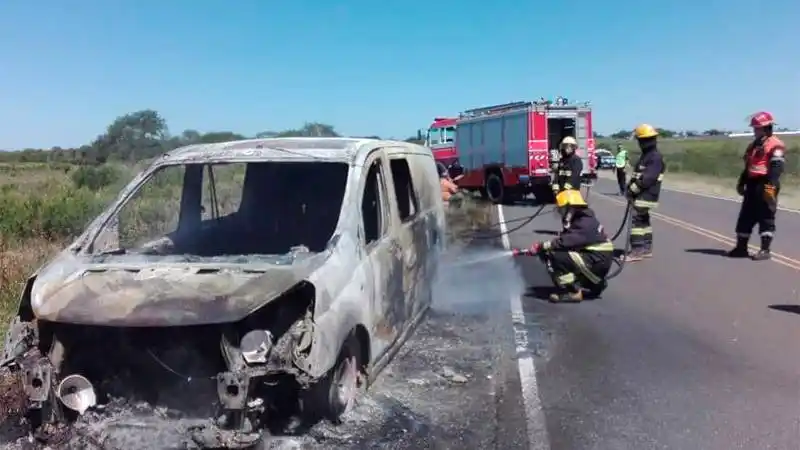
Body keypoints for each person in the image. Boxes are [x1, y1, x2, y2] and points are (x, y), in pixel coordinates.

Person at [512, 189, 614, 303]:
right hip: (597, 259)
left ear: (570, 207)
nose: (560, 212)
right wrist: (542, 249)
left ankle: (572, 292)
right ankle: (595, 284)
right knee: (554, 253)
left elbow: (564, 243)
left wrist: (541, 246)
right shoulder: (582, 219)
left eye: (562, 208)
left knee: (555, 255)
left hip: (597, 260)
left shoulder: (584, 223)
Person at [727, 111, 785, 260]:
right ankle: (741, 248)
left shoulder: (776, 145)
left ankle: (765, 250)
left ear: (766, 128)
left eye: (757, 128)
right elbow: (748, 166)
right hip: (752, 184)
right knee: (746, 215)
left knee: (766, 216)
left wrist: (769, 190)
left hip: (767, 183)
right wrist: (742, 183)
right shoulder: (753, 145)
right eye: (754, 128)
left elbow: (776, 170)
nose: (754, 131)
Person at [624, 124, 665, 262]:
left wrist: (632, 190)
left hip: (645, 195)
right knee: (643, 221)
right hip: (644, 194)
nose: (640, 143)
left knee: (636, 221)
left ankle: (637, 251)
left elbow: (647, 179)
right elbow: (638, 175)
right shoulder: (647, 156)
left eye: (641, 140)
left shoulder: (654, 157)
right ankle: (646, 249)